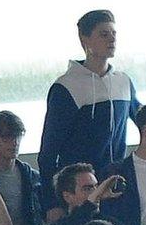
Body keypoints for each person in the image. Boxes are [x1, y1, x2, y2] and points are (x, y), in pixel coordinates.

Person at [39, 10, 139, 178]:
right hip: (80, 187)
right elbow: (49, 150)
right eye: (104, 34)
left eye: (114, 33)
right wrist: (51, 201)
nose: (112, 39)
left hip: (116, 181)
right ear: (84, 39)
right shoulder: (66, 86)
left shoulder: (123, 81)